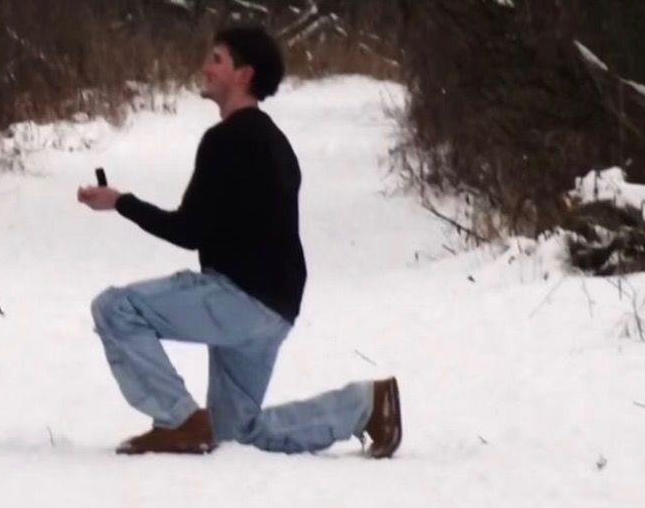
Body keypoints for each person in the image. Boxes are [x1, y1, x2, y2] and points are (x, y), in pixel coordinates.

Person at [78, 24, 402, 457]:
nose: (205, 67)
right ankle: (365, 406)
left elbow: (187, 230)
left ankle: (178, 419)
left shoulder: (227, 140)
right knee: (238, 433)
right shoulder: (275, 142)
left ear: (244, 74)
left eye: (217, 59)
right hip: (275, 307)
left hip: (238, 297)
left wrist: (120, 202)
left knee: (115, 308)